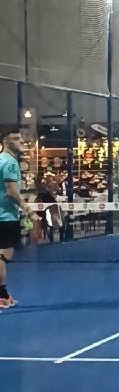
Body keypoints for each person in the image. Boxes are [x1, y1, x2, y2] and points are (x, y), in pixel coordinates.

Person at [0, 127, 35, 310]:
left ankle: (3, 295)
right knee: (3, 258)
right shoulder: (10, 163)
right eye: (15, 138)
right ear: (5, 141)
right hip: (5, 217)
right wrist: (27, 208)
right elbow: (11, 191)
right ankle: (2, 297)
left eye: (20, 138)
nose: (20, 141)